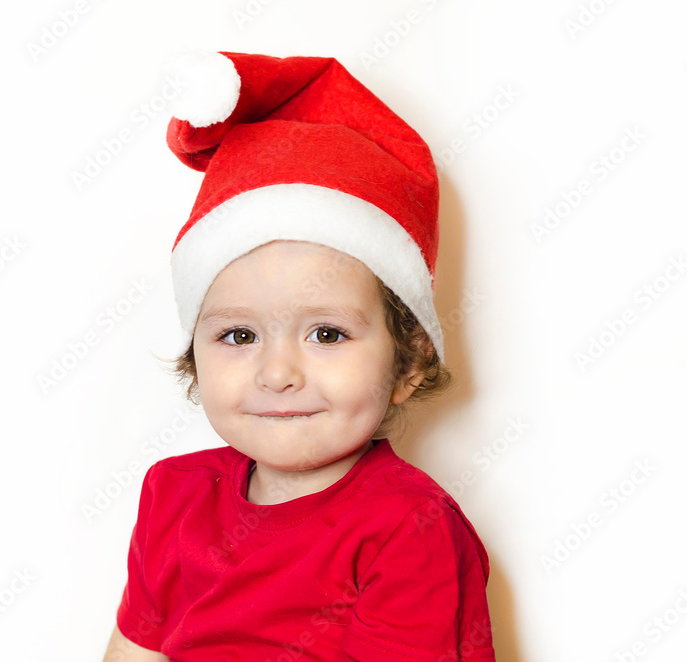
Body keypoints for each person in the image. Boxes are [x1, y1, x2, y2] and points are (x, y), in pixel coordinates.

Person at [102, 50, 496, 662]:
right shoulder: (173, 496)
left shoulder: (406, 528)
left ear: (409, 361)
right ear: (195, 356)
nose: (278, 374)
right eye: (238, 336)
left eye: (327, 334)